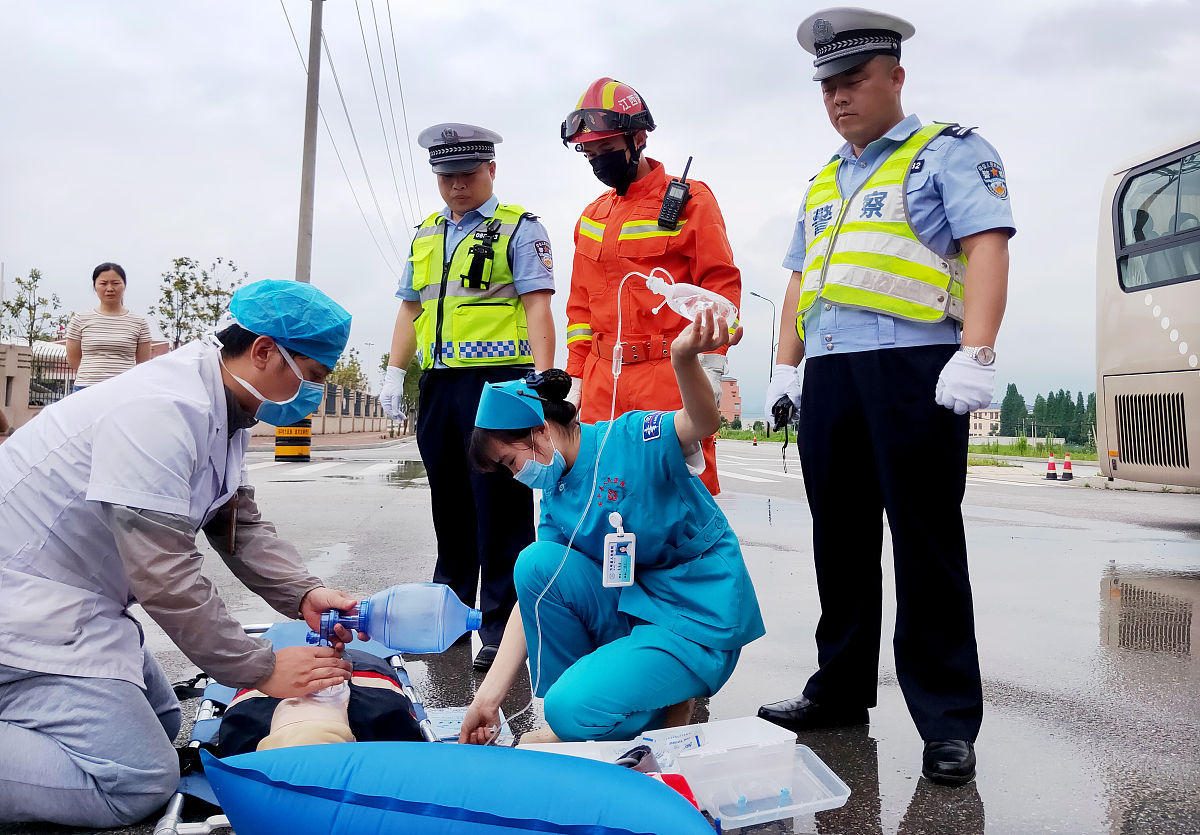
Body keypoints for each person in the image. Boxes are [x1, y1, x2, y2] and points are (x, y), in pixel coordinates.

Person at [756, 8, 1015, 787]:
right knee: (839, 540)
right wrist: (785, 365)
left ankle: (946, 721)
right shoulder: (825, 178)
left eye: (854, 80)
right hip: (832, 374)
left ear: (896, 76)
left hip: (915, 369)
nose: (838, 97)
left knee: (926, 543)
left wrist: (977, 349)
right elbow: (802, 280)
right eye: (827, 84)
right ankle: (839, 691)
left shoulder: (947, 154)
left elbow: (987, 245)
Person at [0, 279, 361, 827]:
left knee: (166, 719)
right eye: (309, 377)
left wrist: (304, 593)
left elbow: (238, 523)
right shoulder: (163, 410)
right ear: (264, 351)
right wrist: (261, 668)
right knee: (136, 779)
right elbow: (164, 573)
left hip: (72, 604)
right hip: (23, 614)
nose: (312, 393)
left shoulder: (225, 405)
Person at [457, 310, 764, 745]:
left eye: (511, 462)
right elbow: (538, 597)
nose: (517, 476)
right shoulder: (557, 494)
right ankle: (595, 709)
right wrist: (488, 699)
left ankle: (612, 714)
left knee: (568, 709)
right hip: (634, 612)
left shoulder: (631, 438)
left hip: (693, 618)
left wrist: (683, 360)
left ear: (539, 429)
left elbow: (702, 422)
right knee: (536, 564)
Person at [380, 123, 556, 671]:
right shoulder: (425, 234)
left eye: (467, 175)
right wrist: (393, 372)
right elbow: (411, 309)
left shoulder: (518, 229)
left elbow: (537, 304)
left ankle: (502, 627)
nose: (457, 186)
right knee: (449, 503)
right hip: (439, 385)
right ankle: (451, 616)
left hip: (500, 381)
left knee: (500, 509)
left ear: (491, 172)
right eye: (446, 176)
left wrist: (545, 379)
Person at [560, 78, 741, 496]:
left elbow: (720, 284)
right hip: (601, 380)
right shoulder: (591, 217)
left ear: (638, 137)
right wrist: (574, 381)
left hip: (667, 375)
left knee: (676, 501)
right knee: (600, 497)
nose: (597, 161)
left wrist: (710, 367)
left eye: (605, 149)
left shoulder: (691, 200)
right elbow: (580, 310)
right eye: (589, 153)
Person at [65, 262, 153, 390]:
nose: (110, 288)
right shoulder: (80, 320)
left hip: (124, 388)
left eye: (116, 283)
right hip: (86, 388)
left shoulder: (139, 323)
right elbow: (73, 360)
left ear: (124, 285)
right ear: (95, 286)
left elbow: (142, 363)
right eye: (103, 283)